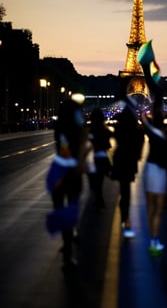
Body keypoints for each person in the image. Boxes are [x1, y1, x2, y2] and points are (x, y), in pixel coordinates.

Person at [45, 99, 93, 272]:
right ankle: (67, 252)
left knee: (62, 210)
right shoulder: (74, 131)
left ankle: (67, 244)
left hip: (58, 172)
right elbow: (68, 150)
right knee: (71, 208)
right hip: (69, 173)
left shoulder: (60, 129)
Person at [138, 40, 167, 255]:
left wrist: (146, 66)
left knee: (150, 206)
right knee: (159, 208)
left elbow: (143, 116)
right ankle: (155, 239)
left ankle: (151, 235)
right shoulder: (166, 136)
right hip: (160, 171)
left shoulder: (150, 130)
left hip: (149, 168)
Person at [111, 80, 145, 239]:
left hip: (121, 159)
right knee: (126, 191)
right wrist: (138, 154)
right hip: (129, 159)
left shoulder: (121, 125)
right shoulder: (133, 124)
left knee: (123, 189)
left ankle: (124, 215)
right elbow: (140, 138)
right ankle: (125, 217)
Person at [87, 108, 113, 208]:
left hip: (94, 158)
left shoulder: (92, 129)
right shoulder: (104, 129)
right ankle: (99, 199)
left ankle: (98, 198)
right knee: (100, 180)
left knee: (94, 181)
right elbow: (108, 143)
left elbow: (89, 142)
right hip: (103, 157)